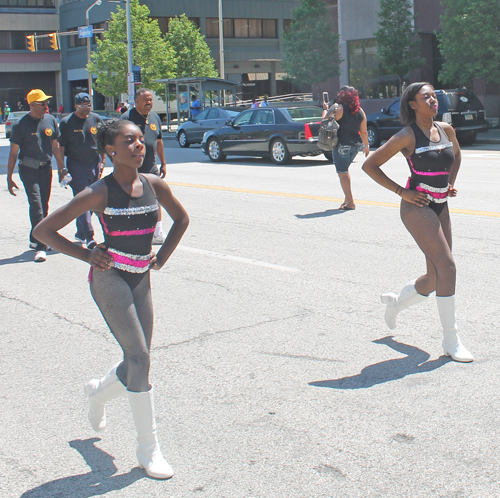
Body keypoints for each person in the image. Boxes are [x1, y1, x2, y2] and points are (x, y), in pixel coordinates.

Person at [33, 118, 190, 479]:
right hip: (110, 278)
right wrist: (88, 253)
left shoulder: (153, 184)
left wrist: (161, 257)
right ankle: (148, 451)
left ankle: (98, 394)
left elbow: (181, 220)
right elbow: (43, 230)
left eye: (140, 141)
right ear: (110, 150)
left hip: (141, 276)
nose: (139, 146)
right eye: (129, 141)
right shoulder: (99, 192)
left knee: (139, 361)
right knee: (139, 356)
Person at [362, 82, 473, 363]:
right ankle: (451, 339)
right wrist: (403, 191)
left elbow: (456, 156)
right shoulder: (406, 136)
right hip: (417, 208)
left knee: (436, 277)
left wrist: (449, 184)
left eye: (435, 96)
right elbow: (369, 165)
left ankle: (396, 305)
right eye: (426, 97)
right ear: (412, 104)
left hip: (441, 204)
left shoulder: (445, 130)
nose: (433, 100)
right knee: (448, 266)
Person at [6, 89, 66, 262]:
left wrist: (62, 169)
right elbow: (13, 153)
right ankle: (41, 245)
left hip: (45, 168)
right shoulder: (20, 125)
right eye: (42, 103)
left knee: (44, 204)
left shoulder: (51, 120)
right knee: (36, 204)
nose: (46, 106)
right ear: (31, 105)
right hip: (28, 169)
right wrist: (9, 177)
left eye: (46, 102)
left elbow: (55, 147)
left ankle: (35, 238)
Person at [58, 92, 105, 249]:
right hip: (76, 164)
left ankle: (80, 233)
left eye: (88, 105)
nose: (86, 109)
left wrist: (103, 160)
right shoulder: (66, 122)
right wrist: (62, 168)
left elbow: (101, 141)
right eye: (82, 106)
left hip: (94, 163)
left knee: (92, 199)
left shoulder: (95, 119)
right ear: (75, 106)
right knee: (83, 198)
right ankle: (89, 236)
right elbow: (61, 146)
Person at [121, 88, 167, 244]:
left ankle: (157, 232)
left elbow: (158, 142)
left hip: (151, 167)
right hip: (132, 167)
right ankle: (132, 230)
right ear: (137, 102)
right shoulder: (127, 118)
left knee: (155, 199)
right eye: (146, 100)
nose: (149, 102)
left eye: (150, 100)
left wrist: (163, 163)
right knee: (133, 199)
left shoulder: (154, 118)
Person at [322, 86, 369, 210]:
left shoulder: (337, 108)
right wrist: (366, 146)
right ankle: (346, 200)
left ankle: (350, 203)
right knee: (345, 171)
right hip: (356, 146)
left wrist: (325, 109)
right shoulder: (360, 111)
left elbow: (324, 121)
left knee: (343, 173)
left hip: (342, 145)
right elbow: (364, 131)